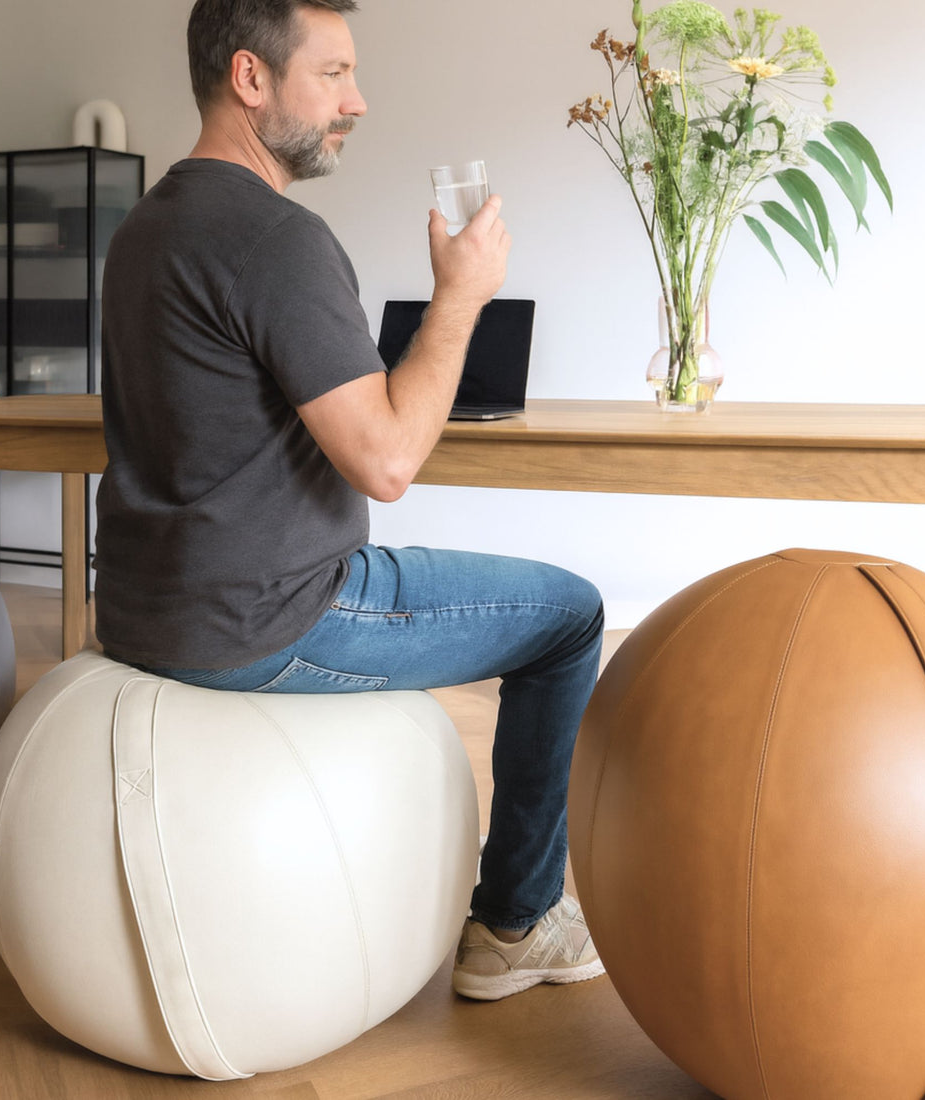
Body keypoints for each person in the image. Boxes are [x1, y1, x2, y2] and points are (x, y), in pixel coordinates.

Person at [94, 0, 605, 1002]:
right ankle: (513, 921)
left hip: (141, 608)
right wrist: (458, 298)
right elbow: (385, 459)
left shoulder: (146, 228)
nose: (356, 101)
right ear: (250, 78)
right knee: (571, 617)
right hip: (269, 613)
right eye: (331, 75)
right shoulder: (275, 238)